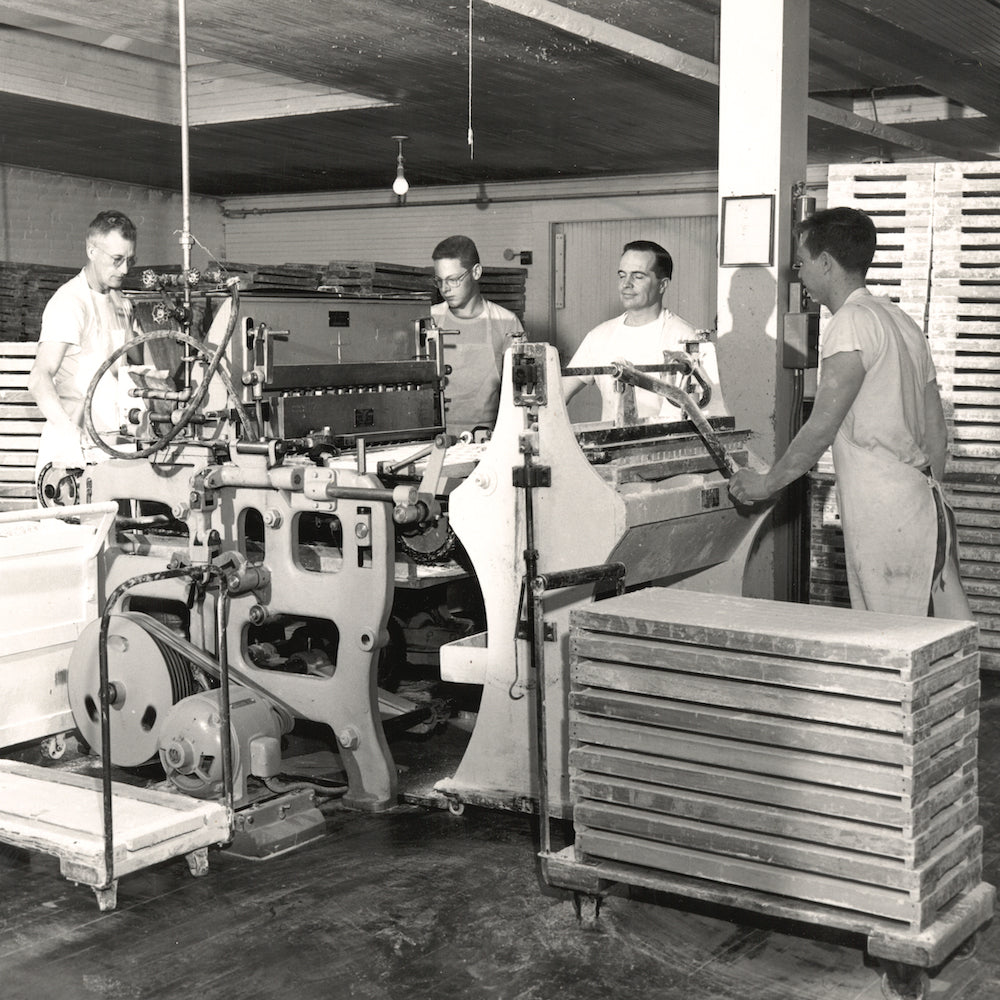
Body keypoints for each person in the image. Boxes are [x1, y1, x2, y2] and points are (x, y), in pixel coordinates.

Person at [728, 206, 972, 620]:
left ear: (826, 263)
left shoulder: (850, 324)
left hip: (885, 515)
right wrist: (919, 495)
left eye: (802, 263)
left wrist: (766, 483)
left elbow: (821, 426)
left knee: (890, 644)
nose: (801, 274)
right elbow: (937, 434)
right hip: (925, 503)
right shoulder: (900, 320)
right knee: (942, 636)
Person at [28, 210, 142, 500]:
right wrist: (68, 434)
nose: (125, 269)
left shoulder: (122, 303)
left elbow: (136, 369)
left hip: (114, 447)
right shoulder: (70, 303)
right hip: (74, 455)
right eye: (117, 259)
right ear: (92, 250)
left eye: (130, 260)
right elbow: (39, 378)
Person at [562, 240, 726, 421]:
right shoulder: (599, 336)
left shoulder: (685, 340)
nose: (626, 284)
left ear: (662, 285)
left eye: (638, 276)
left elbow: (708, 414)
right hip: (609, 446)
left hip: (666, 447)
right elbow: (559, 395)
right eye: (622, 275)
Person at [430, 235, 524, 435]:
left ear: (476, 272)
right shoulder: (431, 318)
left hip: (487, 434)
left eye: (453, 279)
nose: (445, 289)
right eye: (439, 281)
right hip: (435, 433)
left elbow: (521, 389)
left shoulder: (506, 321)